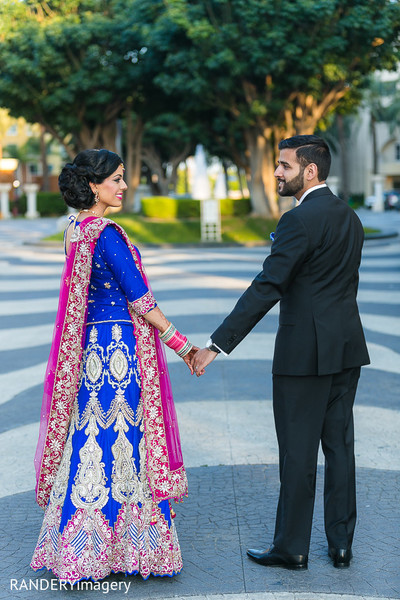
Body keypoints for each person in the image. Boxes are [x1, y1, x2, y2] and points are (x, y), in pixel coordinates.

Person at [192, 135, 370, 570]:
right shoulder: (350, 218)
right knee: (340, 448)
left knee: (298, 452)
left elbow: (268, 286)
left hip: (302, 355)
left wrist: (217, 344)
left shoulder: (298, 220)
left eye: (285, 166)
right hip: (346, 349)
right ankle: (341, 545)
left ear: (310, 170)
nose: (276, 173)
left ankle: (292, 548)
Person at [31, 149, 197, 584]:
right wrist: (183, 346)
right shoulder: (105, 232)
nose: (124, 187)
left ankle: (84, 546)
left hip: (90, 352)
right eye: (117, 180)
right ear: (93, 185)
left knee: (92, 436)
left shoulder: (75, 229)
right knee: (127, 436)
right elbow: (139, 297)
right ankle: (129, 545)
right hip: (117, 352)